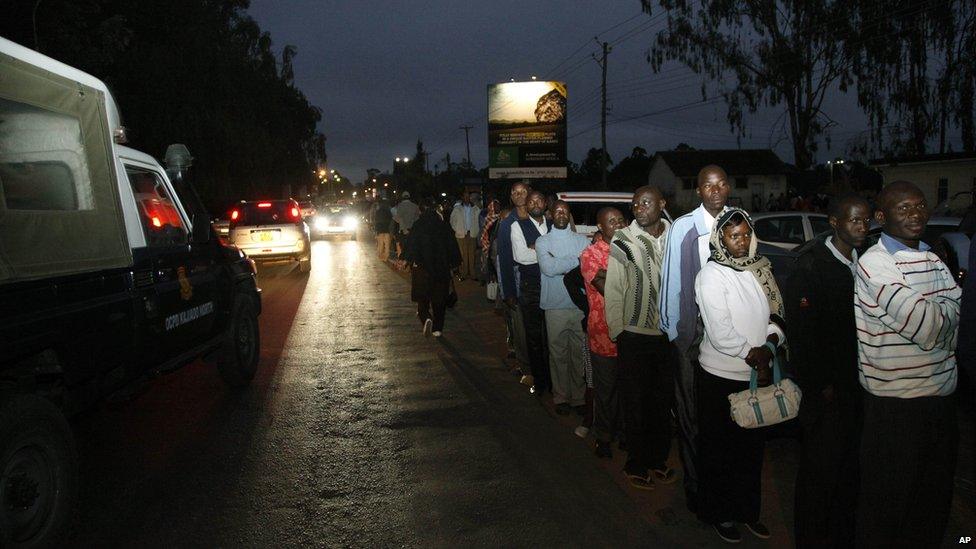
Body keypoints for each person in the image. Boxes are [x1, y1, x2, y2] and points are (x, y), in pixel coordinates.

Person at [854, 181, 961, 548]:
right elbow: (928, 326)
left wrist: (943, 318)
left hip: (939, 400)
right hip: (896, 407)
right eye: (904, 209)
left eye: (920, 205)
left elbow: (957, 312)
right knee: (888, 504)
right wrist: (945, 318)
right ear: (881, 218)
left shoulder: (932, 256)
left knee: (932, 501)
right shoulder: (875, 264)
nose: (915, 214)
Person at [694, 208, 784, 544]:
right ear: (720, 238)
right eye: (734, 236)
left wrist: (771, 345)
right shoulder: (711, 275)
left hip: (758, 372)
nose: (741, 241)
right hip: (722, 376)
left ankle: (748, 511)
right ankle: (720, 514)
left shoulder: (760, 269)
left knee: (751, 449)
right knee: (721, 450)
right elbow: (721, 332)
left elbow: (776, 313)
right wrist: (755, 355)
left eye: (746, 234)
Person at [786, 194, 871, 548]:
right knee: (819, 470)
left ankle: (841, 532)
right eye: (854, 220)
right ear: (834, 222)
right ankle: (810, 536)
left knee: (849, 468)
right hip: (826, 391)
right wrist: (820, 384)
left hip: (858, 386)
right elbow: (803, 333)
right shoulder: (812, 265)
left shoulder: (863, 261)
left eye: (866, 220)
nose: (862, 227)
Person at [659, 164, 730, 511]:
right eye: (708, 185)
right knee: (691, 415)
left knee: (722, 416)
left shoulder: (739, 220)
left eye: (721, 184)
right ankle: (696, 487)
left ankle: (722, 486)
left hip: (729, 340)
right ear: (698, 191)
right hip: (691, 335)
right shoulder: (683, 227)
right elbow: (671, 280)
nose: (715, 191)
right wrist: (675, 331)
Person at [605, 186, 675, 489]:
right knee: (636, 401)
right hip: (634, 334)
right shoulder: (624, 238)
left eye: (645, 203)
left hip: (668, 335)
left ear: (661, 204)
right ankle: (635, 463)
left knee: (662, 401)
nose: (638, 208)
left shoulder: (675, 234)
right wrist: (618, 330)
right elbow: (614, 288)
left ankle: (657, 459)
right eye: (634, 204)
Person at [580, 207, 628, 459]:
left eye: (621, 220)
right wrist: (631, 280)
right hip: (604, 333)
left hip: (631, 333)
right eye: (611, 221)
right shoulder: (590, 254)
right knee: (605, 390)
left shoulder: (632, 250)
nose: (618, 225)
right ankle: (603, 437)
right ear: (600, 226)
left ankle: (622, 433)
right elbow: (607, 287)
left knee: (626, 388)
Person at [536, 200, 590, 414]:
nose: (561, 214)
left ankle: (578, 397)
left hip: (578, 305)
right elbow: (548, 269)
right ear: (551, 214)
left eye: (565, 211)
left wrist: (560, 262)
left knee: (578, 353)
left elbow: (585, 267)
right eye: (557, 211)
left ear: (569, 215)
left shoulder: (582, 240)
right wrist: (574, 261)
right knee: (557, 353)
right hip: (554, 306)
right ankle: (560, 397)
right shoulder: (542, 241)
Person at [511, 191, 553, 395]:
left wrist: (536, 248)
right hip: (531, 288)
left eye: (539, 200)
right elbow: (521, 256)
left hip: (554, 288)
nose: (535, 203)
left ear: (545, 204)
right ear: (526, 206)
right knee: (534, 338)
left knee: (552, 338)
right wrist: (549, 252)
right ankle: (541, 381)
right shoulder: (516, 226)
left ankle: (554, 382)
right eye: (531, 201)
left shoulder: (555, 225)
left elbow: (564, 253)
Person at [402, 199, 461, 338]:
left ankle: (426, 317)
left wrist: (407, 259)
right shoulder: (443, 226)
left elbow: (411, 245)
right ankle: (437, 329)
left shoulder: (418, 225)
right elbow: (452, 246)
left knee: (422, 298)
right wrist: (454, 264)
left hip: (422, 269)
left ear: (421, 211)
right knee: (439, 300)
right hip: (441, 269)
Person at [497, 182, 531, 377]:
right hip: (516, 284)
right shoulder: (507, 223)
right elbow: (503, 260)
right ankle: (525, 367)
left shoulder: (539, 219)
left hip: (537, 284)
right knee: (520, 329)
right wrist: (508, 291)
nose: (520, 195)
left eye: (523, 191)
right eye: (515, 192)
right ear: (511, 196)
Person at [450, 191, 479, 280]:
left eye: (468, 197)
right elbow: (452, 221)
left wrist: (476, 231)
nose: (467, 198)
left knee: (472, 255)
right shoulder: (457, 209)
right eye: (465, 196)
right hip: (461, 234)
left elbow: (479, 221)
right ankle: (464, 273)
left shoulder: (475, 208)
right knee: (463, 255)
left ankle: (473, 274)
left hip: (472, 233)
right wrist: (457, 229)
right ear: (462, 197)